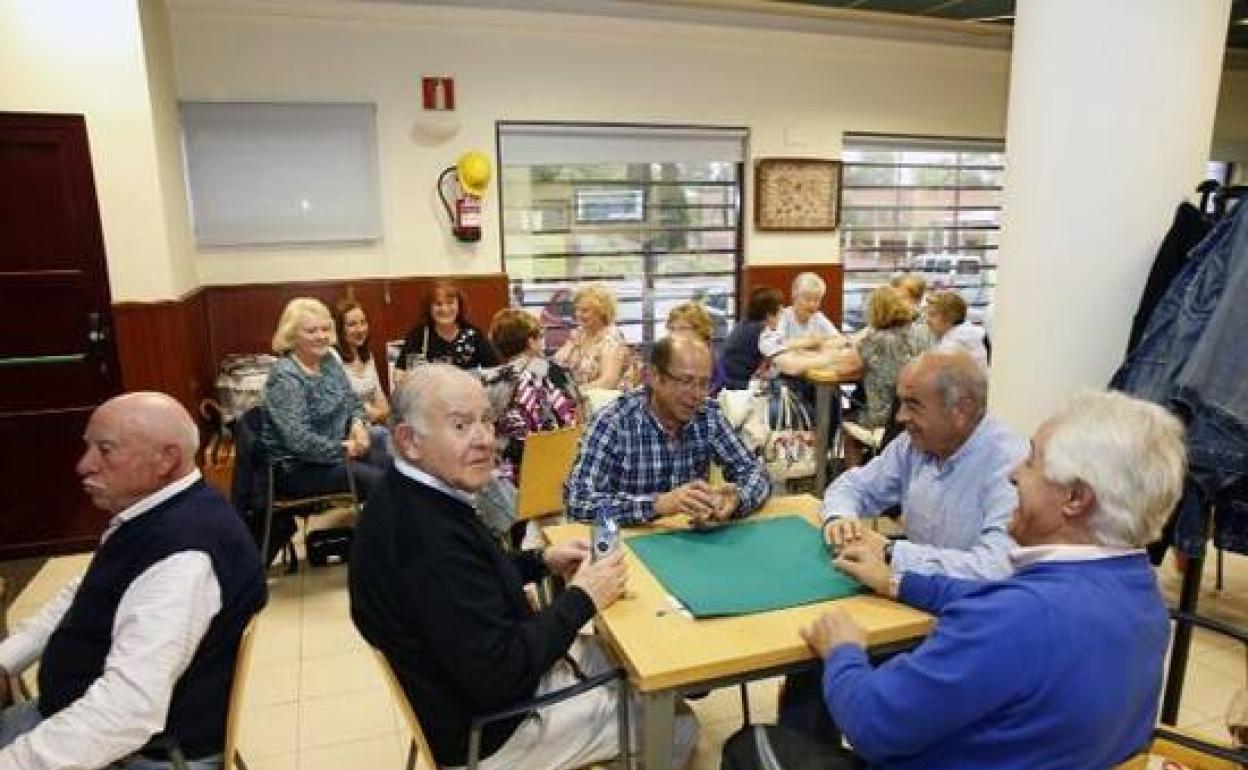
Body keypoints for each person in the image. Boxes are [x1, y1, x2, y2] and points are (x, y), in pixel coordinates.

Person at [775, 390, 1184, 770]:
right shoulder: (1140, 590)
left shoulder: (1014, 617)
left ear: (1076, 498)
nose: (1012, 475)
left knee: (755, 743)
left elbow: (873, 726)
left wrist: (844, 650)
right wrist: (898, 582)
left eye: (1031, 462)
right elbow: (999, 598)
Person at [349, 365, 696, 770]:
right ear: (409, 441)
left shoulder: (410, 494)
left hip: (467, 689)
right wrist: (584, 597)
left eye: (487, 421)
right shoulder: (427, 541)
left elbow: (467, 582)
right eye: (461, 426)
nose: (485, 440)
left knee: (641, 672)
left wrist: (538, 561)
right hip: (493, 731)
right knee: (674, 723)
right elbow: (501, 673)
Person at [0, 392, 266, 770]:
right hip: (85, 723)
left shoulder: (183, 555)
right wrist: (8, 659)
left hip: (134, 753)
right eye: (88, 448)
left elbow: (127, 711)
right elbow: (89, 590)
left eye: (104, 451)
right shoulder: (162, 512)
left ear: (166, 459)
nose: (83, 465)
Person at [822, 350, 1026, 579]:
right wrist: (840, 518)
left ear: (962, 410)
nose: (900, 417)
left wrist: (891, 553)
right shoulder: (913, 444)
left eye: (913, 405)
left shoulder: (1011, 465)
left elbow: (996, 568)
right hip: (911, 591)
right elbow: (852, 486)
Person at [565, 333, 770, 526]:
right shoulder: (614, 422)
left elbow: (755, 472)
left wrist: (736, 499)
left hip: (689, 541)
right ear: (654, 376)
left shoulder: (708, 416)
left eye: (704, 384)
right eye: (686, 381)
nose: (697, 394)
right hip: (625, 547)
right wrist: (658, 504)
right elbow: (578, 502)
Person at [261, 297, 387, 501]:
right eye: (311, 331)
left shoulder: (327, 360)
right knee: (379, 481)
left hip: (338, 448)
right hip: (299, 467)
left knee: (390, 454)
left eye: (325, 329)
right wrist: (345, 448)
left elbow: (352, 401)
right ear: (292, 335)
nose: (321, 336)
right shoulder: (285, 377)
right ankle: (379, 528)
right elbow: (299, 441)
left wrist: (357, 426)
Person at [484, 308, 580, 486]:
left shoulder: (489, 381)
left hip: (510, 479)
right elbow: (579, 418)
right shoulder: (559, 372)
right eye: (540, 336)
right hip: (563, 469)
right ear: (531, 341)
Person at [842, 287, 931, 466]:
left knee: (848, 428)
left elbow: (844, 369)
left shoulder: (873, 341)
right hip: (920, 411)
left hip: (884, 417)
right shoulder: (923, 333)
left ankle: (858, 482)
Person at [395, 280, 498, 376]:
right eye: (438, 304)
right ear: (429, 308)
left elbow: (495, 370)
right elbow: (399, 373)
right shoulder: (418, 335)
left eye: (450, 303)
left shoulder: (474, 335)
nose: (445, 309)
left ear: (459, 305)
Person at [552, 283, 631, 390]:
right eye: (577, 309)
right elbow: (557, 363)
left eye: (585, 310)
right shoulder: (580, 332)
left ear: (602, 312)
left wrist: (574, 393)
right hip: (578, 399)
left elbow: (608, 382)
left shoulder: (611, 338)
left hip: (602, 402)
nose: (578, 314)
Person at [332, 297, 390, 425]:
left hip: (373, 423)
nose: (360, 329)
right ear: (339, 329)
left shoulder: (367, 354)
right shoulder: (333, 357)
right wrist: (376, 414)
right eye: (352, 324)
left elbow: (378, 394)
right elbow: (343, 403)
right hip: (350, 427)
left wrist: (384, 414)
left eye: (363, 322)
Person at [720, 287, 787, 390]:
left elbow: (782, 344)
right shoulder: (761, 332)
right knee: (785, 385)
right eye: (780, 312)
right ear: (769, 315)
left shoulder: (746, 324)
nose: (782, 315)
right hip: (737, 388)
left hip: (728, 384)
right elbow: (788, 364)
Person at [926, 289, 988, 369]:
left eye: (932, 315)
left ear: (949, 316)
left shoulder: (950, 347)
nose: (927, 320)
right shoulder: (976, 333)